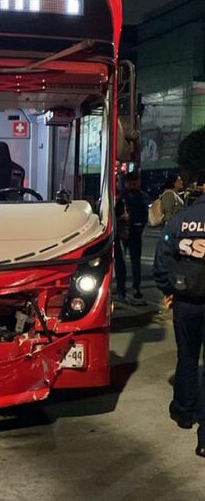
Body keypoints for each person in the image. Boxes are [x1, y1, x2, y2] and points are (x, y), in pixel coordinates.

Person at [153, 191, 205, 455]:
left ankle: (184, 413)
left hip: (185, 301)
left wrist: (169, 289)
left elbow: (162, 258)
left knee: (187, 357)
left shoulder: (180, 220)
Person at [114, 171, 149, 305]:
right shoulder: (123, 197)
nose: (133, 184)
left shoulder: (125, 196)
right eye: (131, 182)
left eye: (135, 182)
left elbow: (144, 216)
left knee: (130, 262)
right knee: (127, 262)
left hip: (130, 232)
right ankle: (126, 288)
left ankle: (129, 288)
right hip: (126, 232)